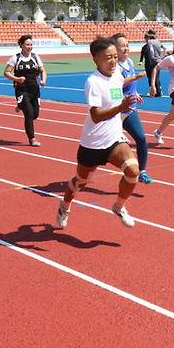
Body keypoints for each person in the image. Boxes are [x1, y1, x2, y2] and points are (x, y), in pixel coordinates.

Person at [56, 37, 139, 229]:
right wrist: (121, 107)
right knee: (81, 182)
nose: (113, 61)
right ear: (96, 59)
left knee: (133, 170)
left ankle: (119, 206)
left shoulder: (117, 72)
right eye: (108, 57)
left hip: (114, 139)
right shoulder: (93, 82)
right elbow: (95, 116)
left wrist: (131, 95)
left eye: (115, 57)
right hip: (92, 143)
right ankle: (64, 205)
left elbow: (117, 90)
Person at [112, 33, 153, 184]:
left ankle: (142, 171)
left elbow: (130, 84)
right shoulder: (114, 67)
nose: (126, 48)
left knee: (141, 138)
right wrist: (133, 80)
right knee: (106, 146)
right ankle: (87, 168)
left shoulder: (129, 61)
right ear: (115, 48)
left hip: (129, 110)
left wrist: (135, 92)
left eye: (127, 45)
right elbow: (115, 87)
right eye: (122, 46)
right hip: (115, 111)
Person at [4, 35, 47, 147]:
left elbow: (43, 71)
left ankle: (20, 105)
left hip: (34, 89)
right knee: (29, 113)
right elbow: (6, 72)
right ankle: (32, 139)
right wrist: (17, 79)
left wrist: (43, 80)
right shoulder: (16, 58)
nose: (30, 47)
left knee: (35, 115)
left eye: (31, 44)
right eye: (27, 44)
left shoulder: (35, 57)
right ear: (21, 45)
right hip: (22, 89)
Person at [138, 29, 163, 96]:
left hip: (152, 63)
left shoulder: (152, 45)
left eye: (146, 38)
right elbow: (142, 55)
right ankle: (154, 90)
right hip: (149, 63)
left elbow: (152, 53)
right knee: (151, 77)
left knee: (155, 77)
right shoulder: (144, 47)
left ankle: (158, 91)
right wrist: (140, 61)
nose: (145, 39)